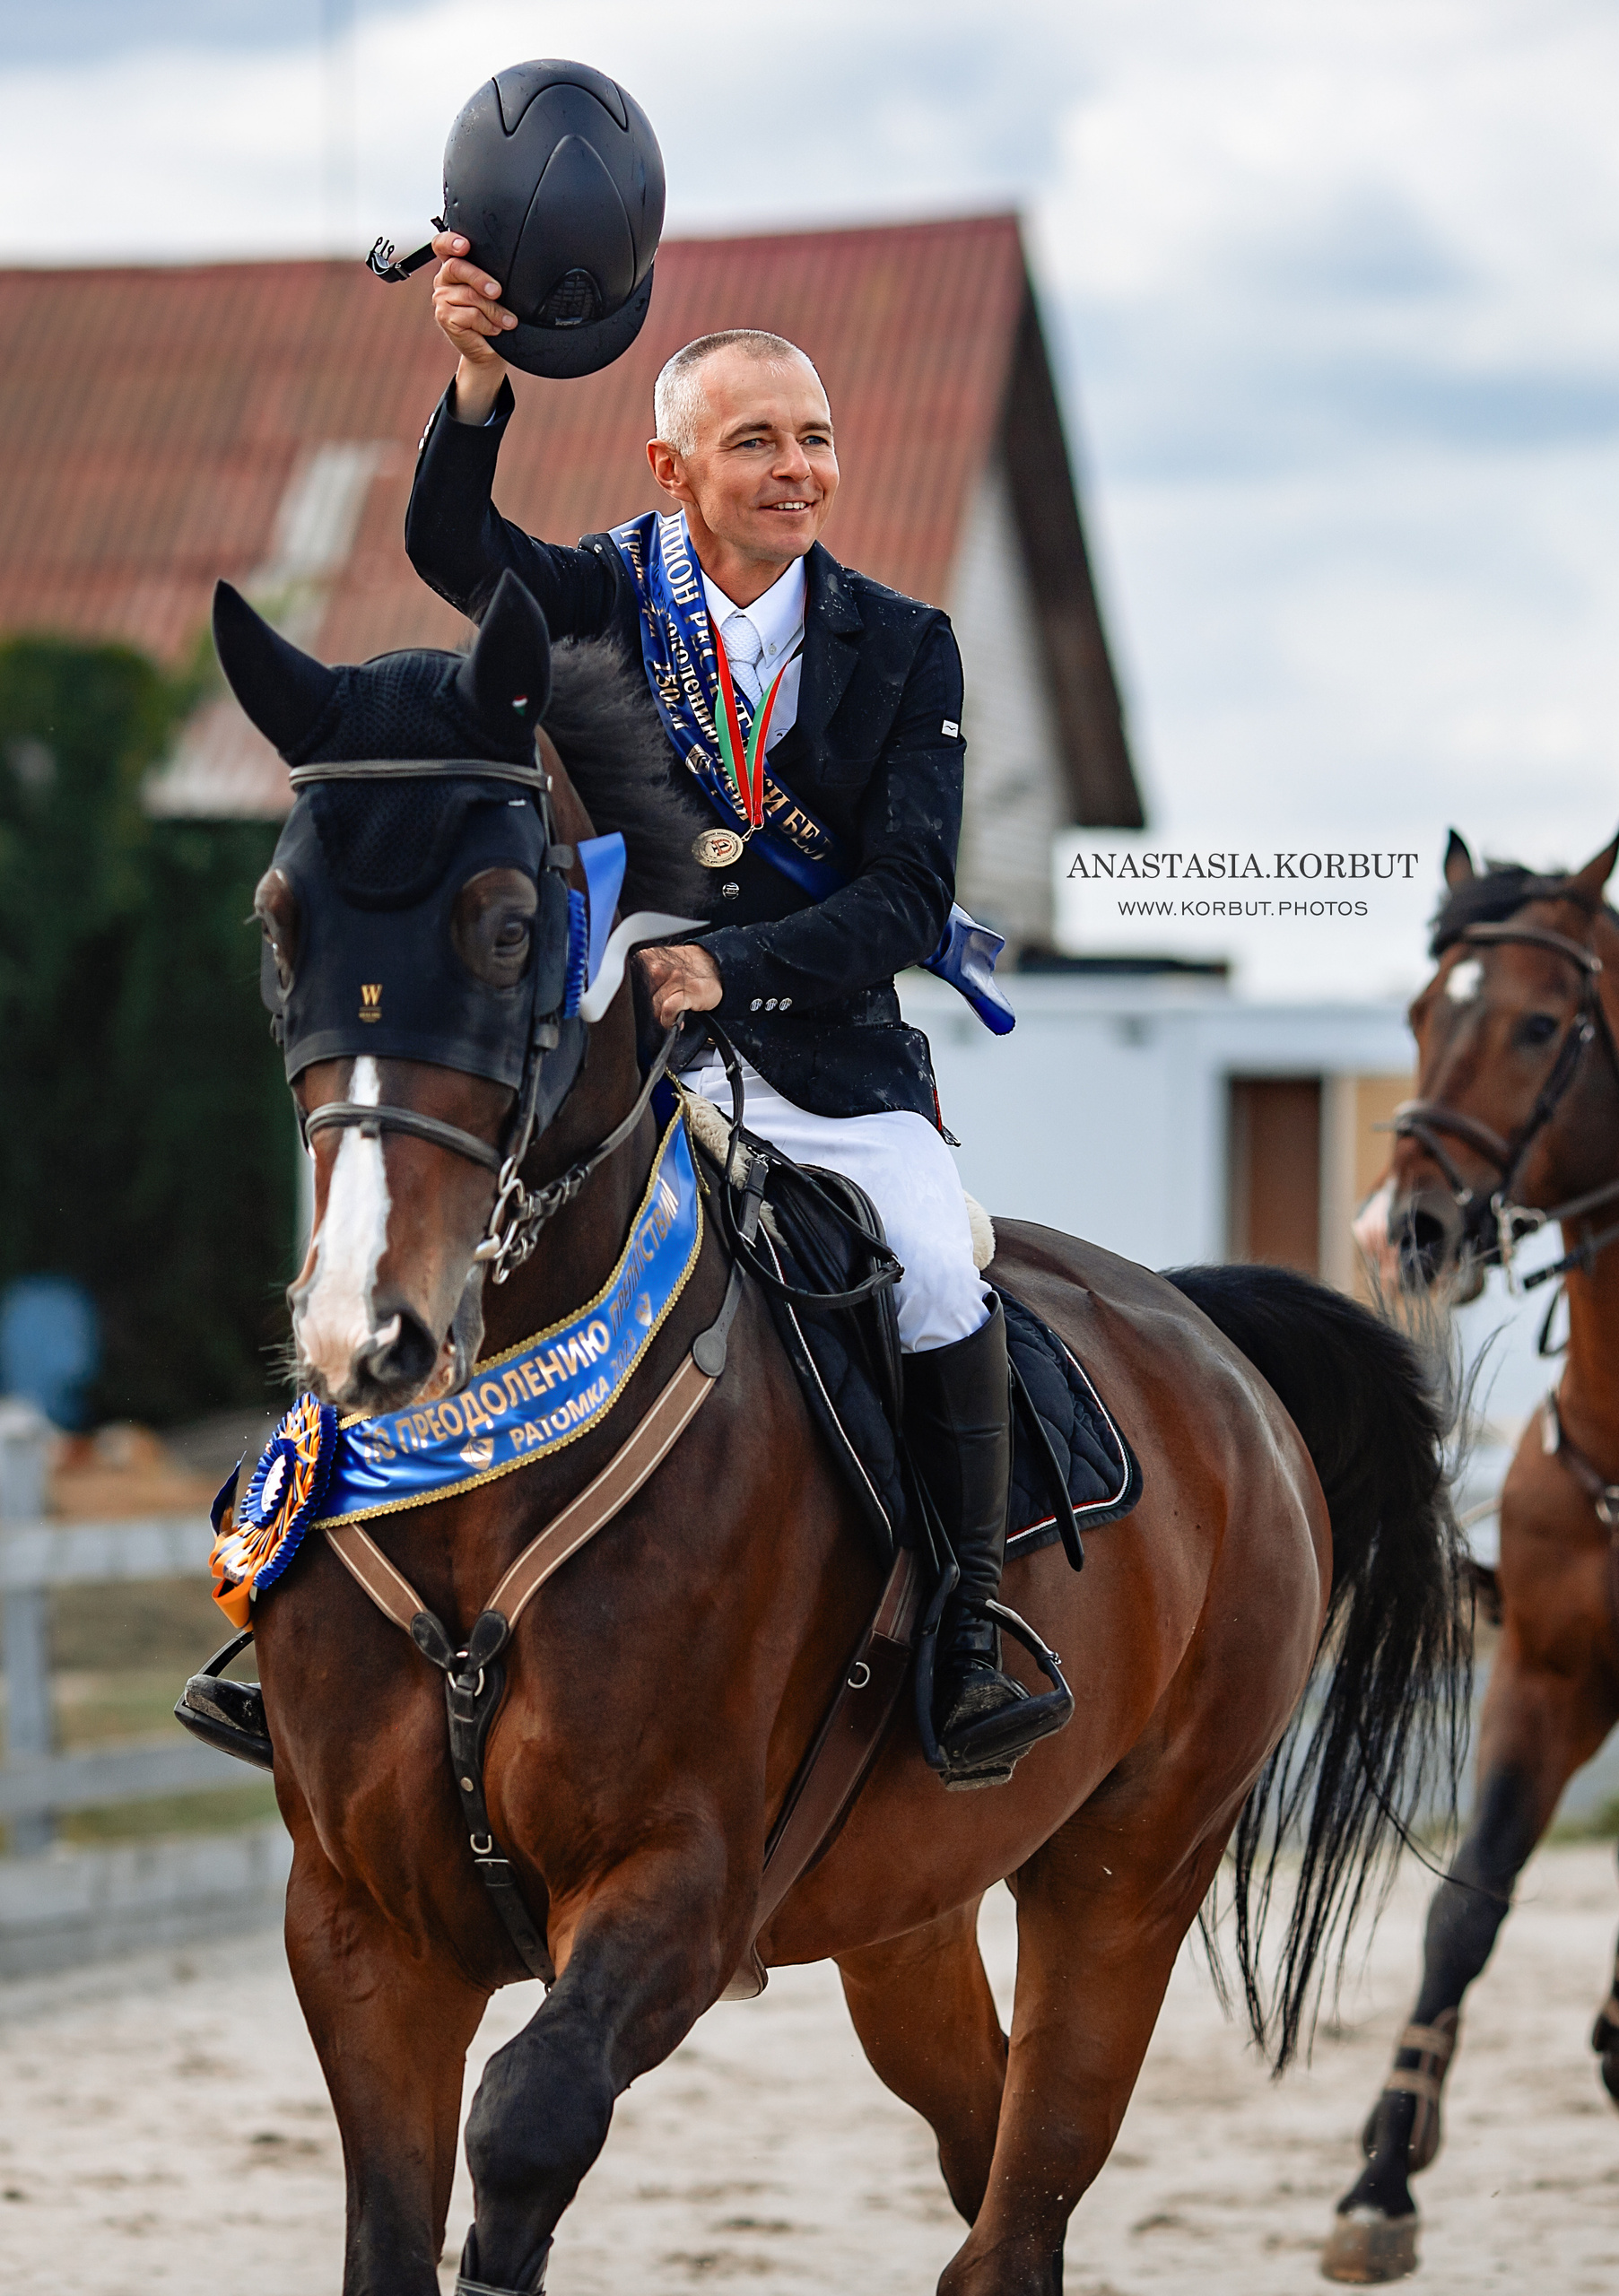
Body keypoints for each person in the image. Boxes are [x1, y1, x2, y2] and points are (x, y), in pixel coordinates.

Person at [403, 232, 1062, 1787]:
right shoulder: (596, 599)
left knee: (934, 1266)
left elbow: (904, 899)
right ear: (673, 463)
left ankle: (966, 1637)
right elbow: (447, 538)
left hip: (828, 1060)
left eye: (816, 438)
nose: (796, 469)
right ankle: (335, 1611)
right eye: (756, 441)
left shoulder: (904, 648)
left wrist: (735, 966)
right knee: (430, 1229)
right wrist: (479, 377)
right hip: (623, 1059)